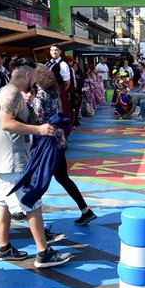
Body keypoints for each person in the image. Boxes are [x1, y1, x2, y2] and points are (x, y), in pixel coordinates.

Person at [0, 65, 72, 267]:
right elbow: (6, 123)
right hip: (14, 161)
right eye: (33, 81)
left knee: (2, 202)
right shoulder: (12, 93)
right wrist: (39, 129)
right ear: (27, 75)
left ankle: (3, 247)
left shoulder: (1, 92)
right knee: (32, 204)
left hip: (0, 160)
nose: (34, 86)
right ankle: (43, 252)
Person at [30, 65, 96, 226]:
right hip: (59, 140)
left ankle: (33, 215)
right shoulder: (54, 93)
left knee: (39, 179)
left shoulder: (39, 96)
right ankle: (85, 209)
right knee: (62, 177)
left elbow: (37, 117)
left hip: (46, 143)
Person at [46, 45, 74, 123]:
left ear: (60, 51)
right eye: (52, 50)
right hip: (49, 92)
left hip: (58, 91)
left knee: (60, 111)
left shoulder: (63, 64)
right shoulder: (49, 62)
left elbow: (67, 81)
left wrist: (61, 91)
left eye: (56, 50)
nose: (54, 52)